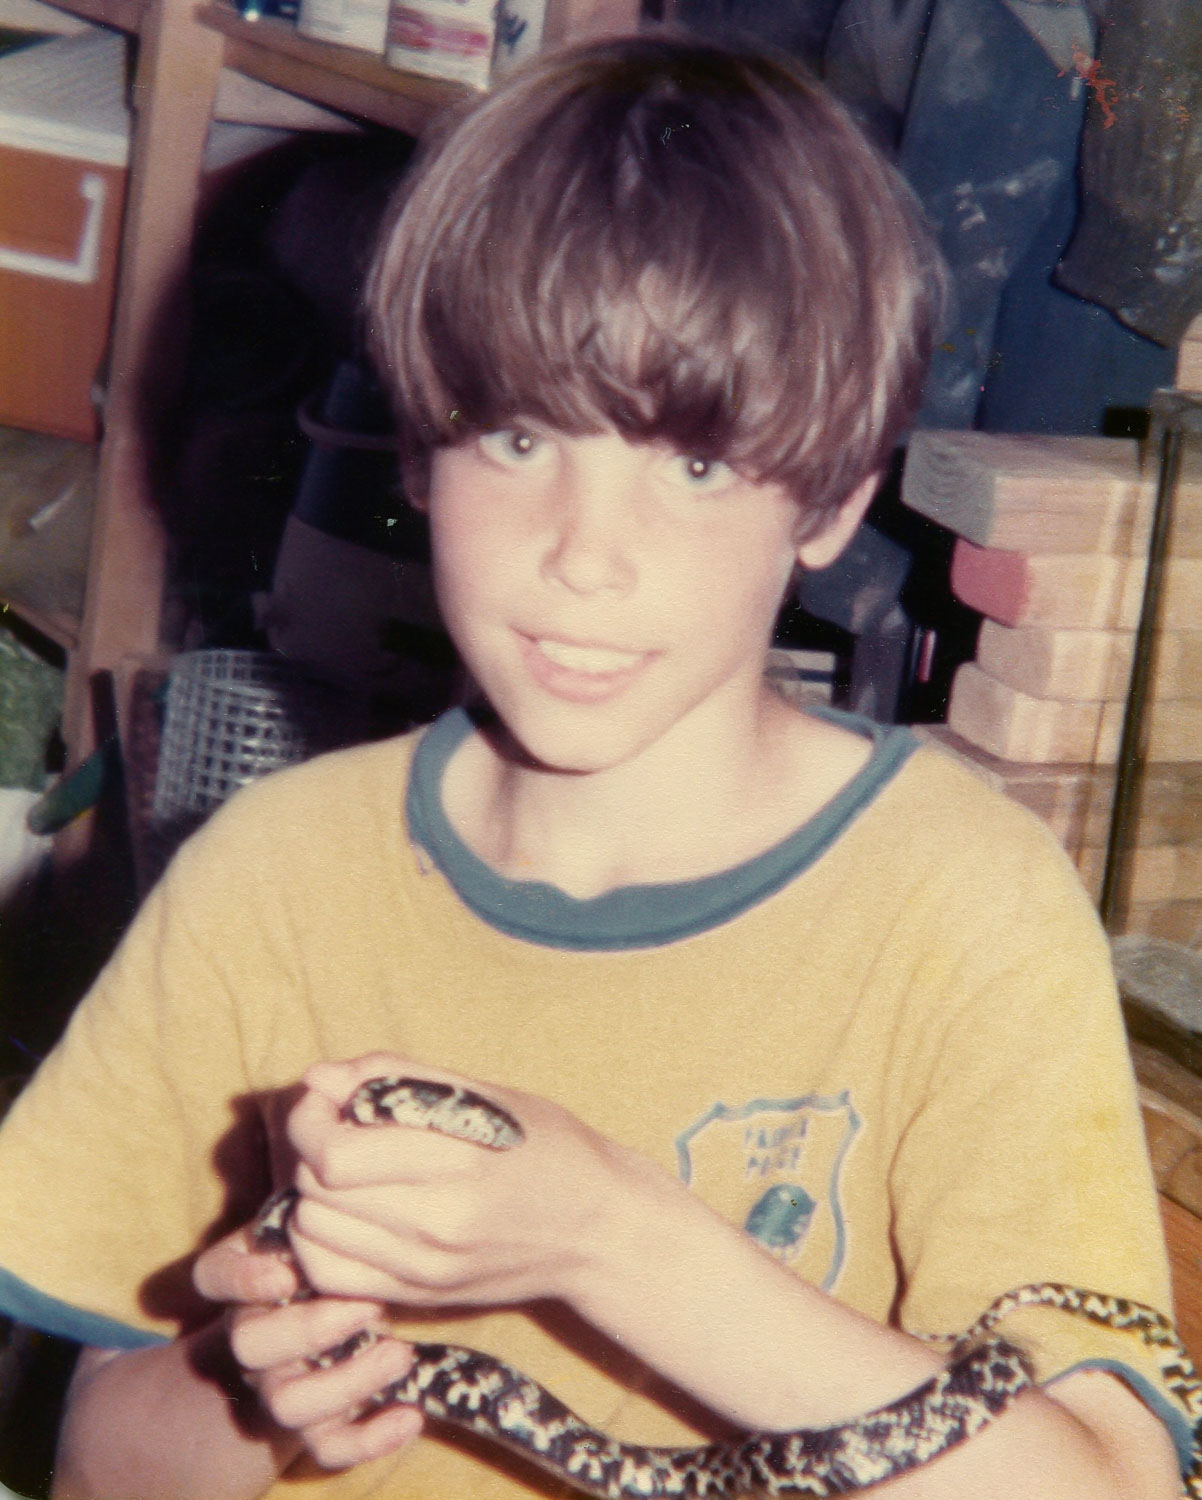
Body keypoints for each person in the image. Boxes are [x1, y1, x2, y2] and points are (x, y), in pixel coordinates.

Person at [0, 33, 1192, 1500]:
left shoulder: (962, 904)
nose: (582, 554)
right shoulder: (268, 875)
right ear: (421, 457)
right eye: (515, 437)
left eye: (691, 466)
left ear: (829, 499)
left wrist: (610, 1241)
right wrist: (257, 1387)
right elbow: (100, 1467)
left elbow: (1110, 1489)